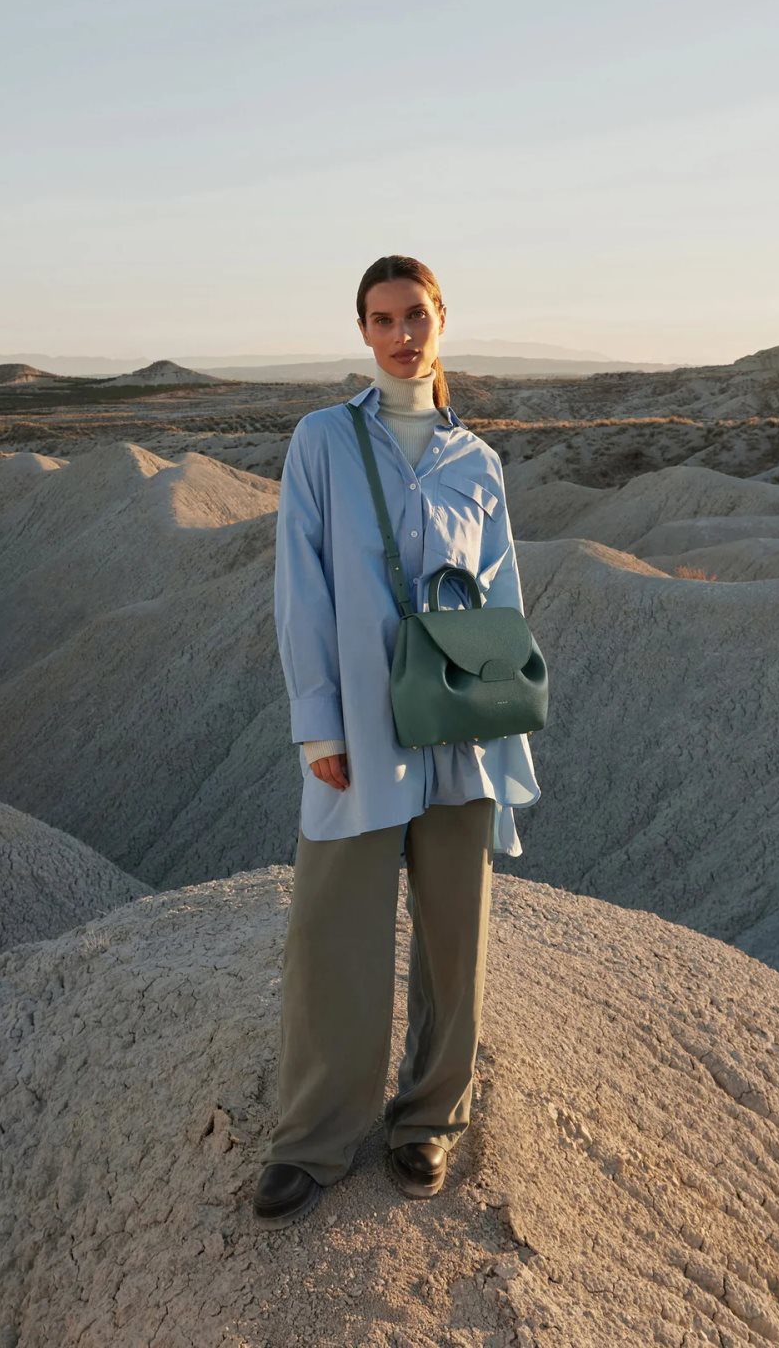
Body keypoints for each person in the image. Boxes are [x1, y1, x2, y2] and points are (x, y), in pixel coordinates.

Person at [253, 254, 541, 1230]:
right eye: (381, 318)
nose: (399, 333)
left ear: (440, 321)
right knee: (333, 932)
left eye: (413, 314)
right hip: (362, 731)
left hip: (457, 729)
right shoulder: (323, 442)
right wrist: (317, 721)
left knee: (456, 934)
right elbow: (301, 586)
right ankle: (313, 1138)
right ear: (364, 331)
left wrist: (504, 731)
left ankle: (428, 1117)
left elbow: (501, 601)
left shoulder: (478, 463)